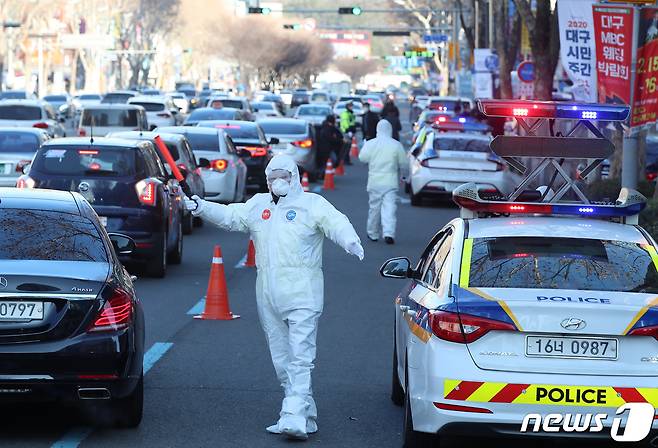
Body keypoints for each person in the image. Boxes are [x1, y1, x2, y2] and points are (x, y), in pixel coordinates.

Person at [184, 154, 364, 440]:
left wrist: (350, 240)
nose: (279, 182)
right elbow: (232, 216)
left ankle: (292, 417)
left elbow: (335, 222)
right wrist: (201, 207)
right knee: (282, 359)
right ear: (267, 180)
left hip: (303, 292)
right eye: (273, 177)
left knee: (301, 357)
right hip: (268, 293)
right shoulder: (259, 206)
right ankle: (306, 415)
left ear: (294, 177)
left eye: (284, 176)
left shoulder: (311, 205)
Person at [358, 120, 407, 245]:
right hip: (390, 182)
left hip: (374, 181)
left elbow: (362, 158)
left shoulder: (371, 144)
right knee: (389, 208)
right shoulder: (396, 145)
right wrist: (404, 176)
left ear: (377, 130)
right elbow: (404, 163)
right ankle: (388, 233)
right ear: (390, 130)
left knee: (374, 208)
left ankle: (372, 233)